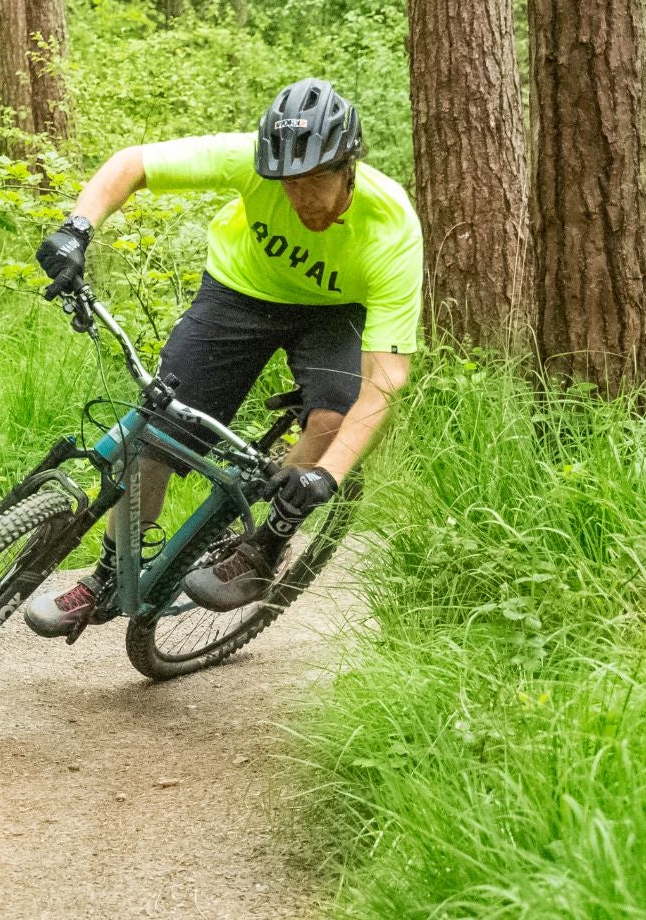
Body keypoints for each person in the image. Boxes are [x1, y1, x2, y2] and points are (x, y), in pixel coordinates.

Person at [22, 78, 422, 635]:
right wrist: (76, 230)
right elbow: (132, 164)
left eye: (314, 181)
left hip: (337, 309)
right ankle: (111, 574)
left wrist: (327, 478)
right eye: (288, 183)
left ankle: (266, 546)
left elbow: (386, 378)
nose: (301, 198)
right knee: (158, 434)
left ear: (347, 167)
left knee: (332, 416)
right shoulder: (251, 161)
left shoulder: (392, 229)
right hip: (240, 291)